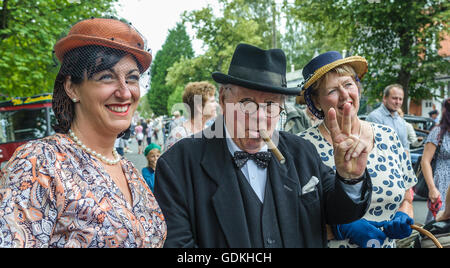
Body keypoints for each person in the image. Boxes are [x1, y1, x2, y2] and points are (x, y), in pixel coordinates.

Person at [154, 43, 373, 248]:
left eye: (270, 105)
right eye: (246, 103)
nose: (258, 117)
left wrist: (349, 178)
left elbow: (340, 212)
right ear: (223, 100)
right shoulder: (178, 165)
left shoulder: (302, 152)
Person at [0, 17, 166, 248]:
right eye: (106, 77)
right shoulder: (39, 164)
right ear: (72, 87)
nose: (125, 92)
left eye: (132, 78)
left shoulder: (130, 171)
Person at [298, 51, 417, 248]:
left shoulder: (388, 136)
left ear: (357, 87)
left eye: (348, 84)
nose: (345, 95)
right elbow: (293, 220)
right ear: (316, 101)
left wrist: (405, 213)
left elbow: (407, 195)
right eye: (332, 91)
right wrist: (339, 227)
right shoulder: (301, 147)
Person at [421, 98, 450, 224]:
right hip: (442, 180)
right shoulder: (438, 132)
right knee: (439, 222)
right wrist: (432, 188)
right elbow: (425, 161)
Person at [165, 81, 217, 150]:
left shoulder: (209, 131)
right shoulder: (178, 136)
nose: (216, 104)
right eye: (212, 101)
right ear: (199, 107)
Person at [366, 84, 409, 153]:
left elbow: (405, 146)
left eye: (400, 99)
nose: (397, 102)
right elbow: (378, 148)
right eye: (394, 98)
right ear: (384, 98)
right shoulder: (374, 118)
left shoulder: (401, 121)